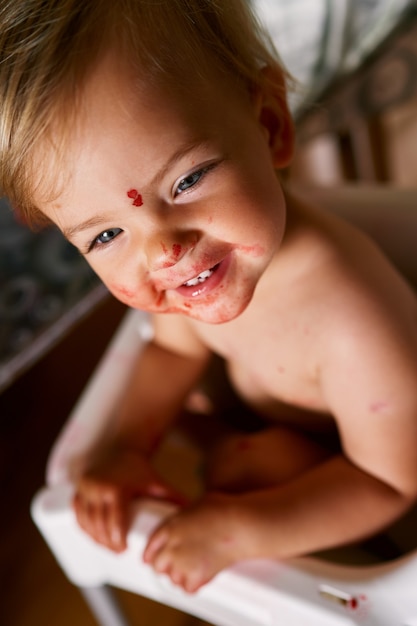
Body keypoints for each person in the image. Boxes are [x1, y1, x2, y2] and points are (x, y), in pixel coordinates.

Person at [1, 0, 417, 595]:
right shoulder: (198, 280)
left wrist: (240, 530)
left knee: (250, 465)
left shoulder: (352, 319)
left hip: (371, 496)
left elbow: (390, 484)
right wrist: (125, 447)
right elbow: (172, 355)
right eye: (107, 234)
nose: (163, 250)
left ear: (270, 125)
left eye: (187, 180)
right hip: (286, 433)